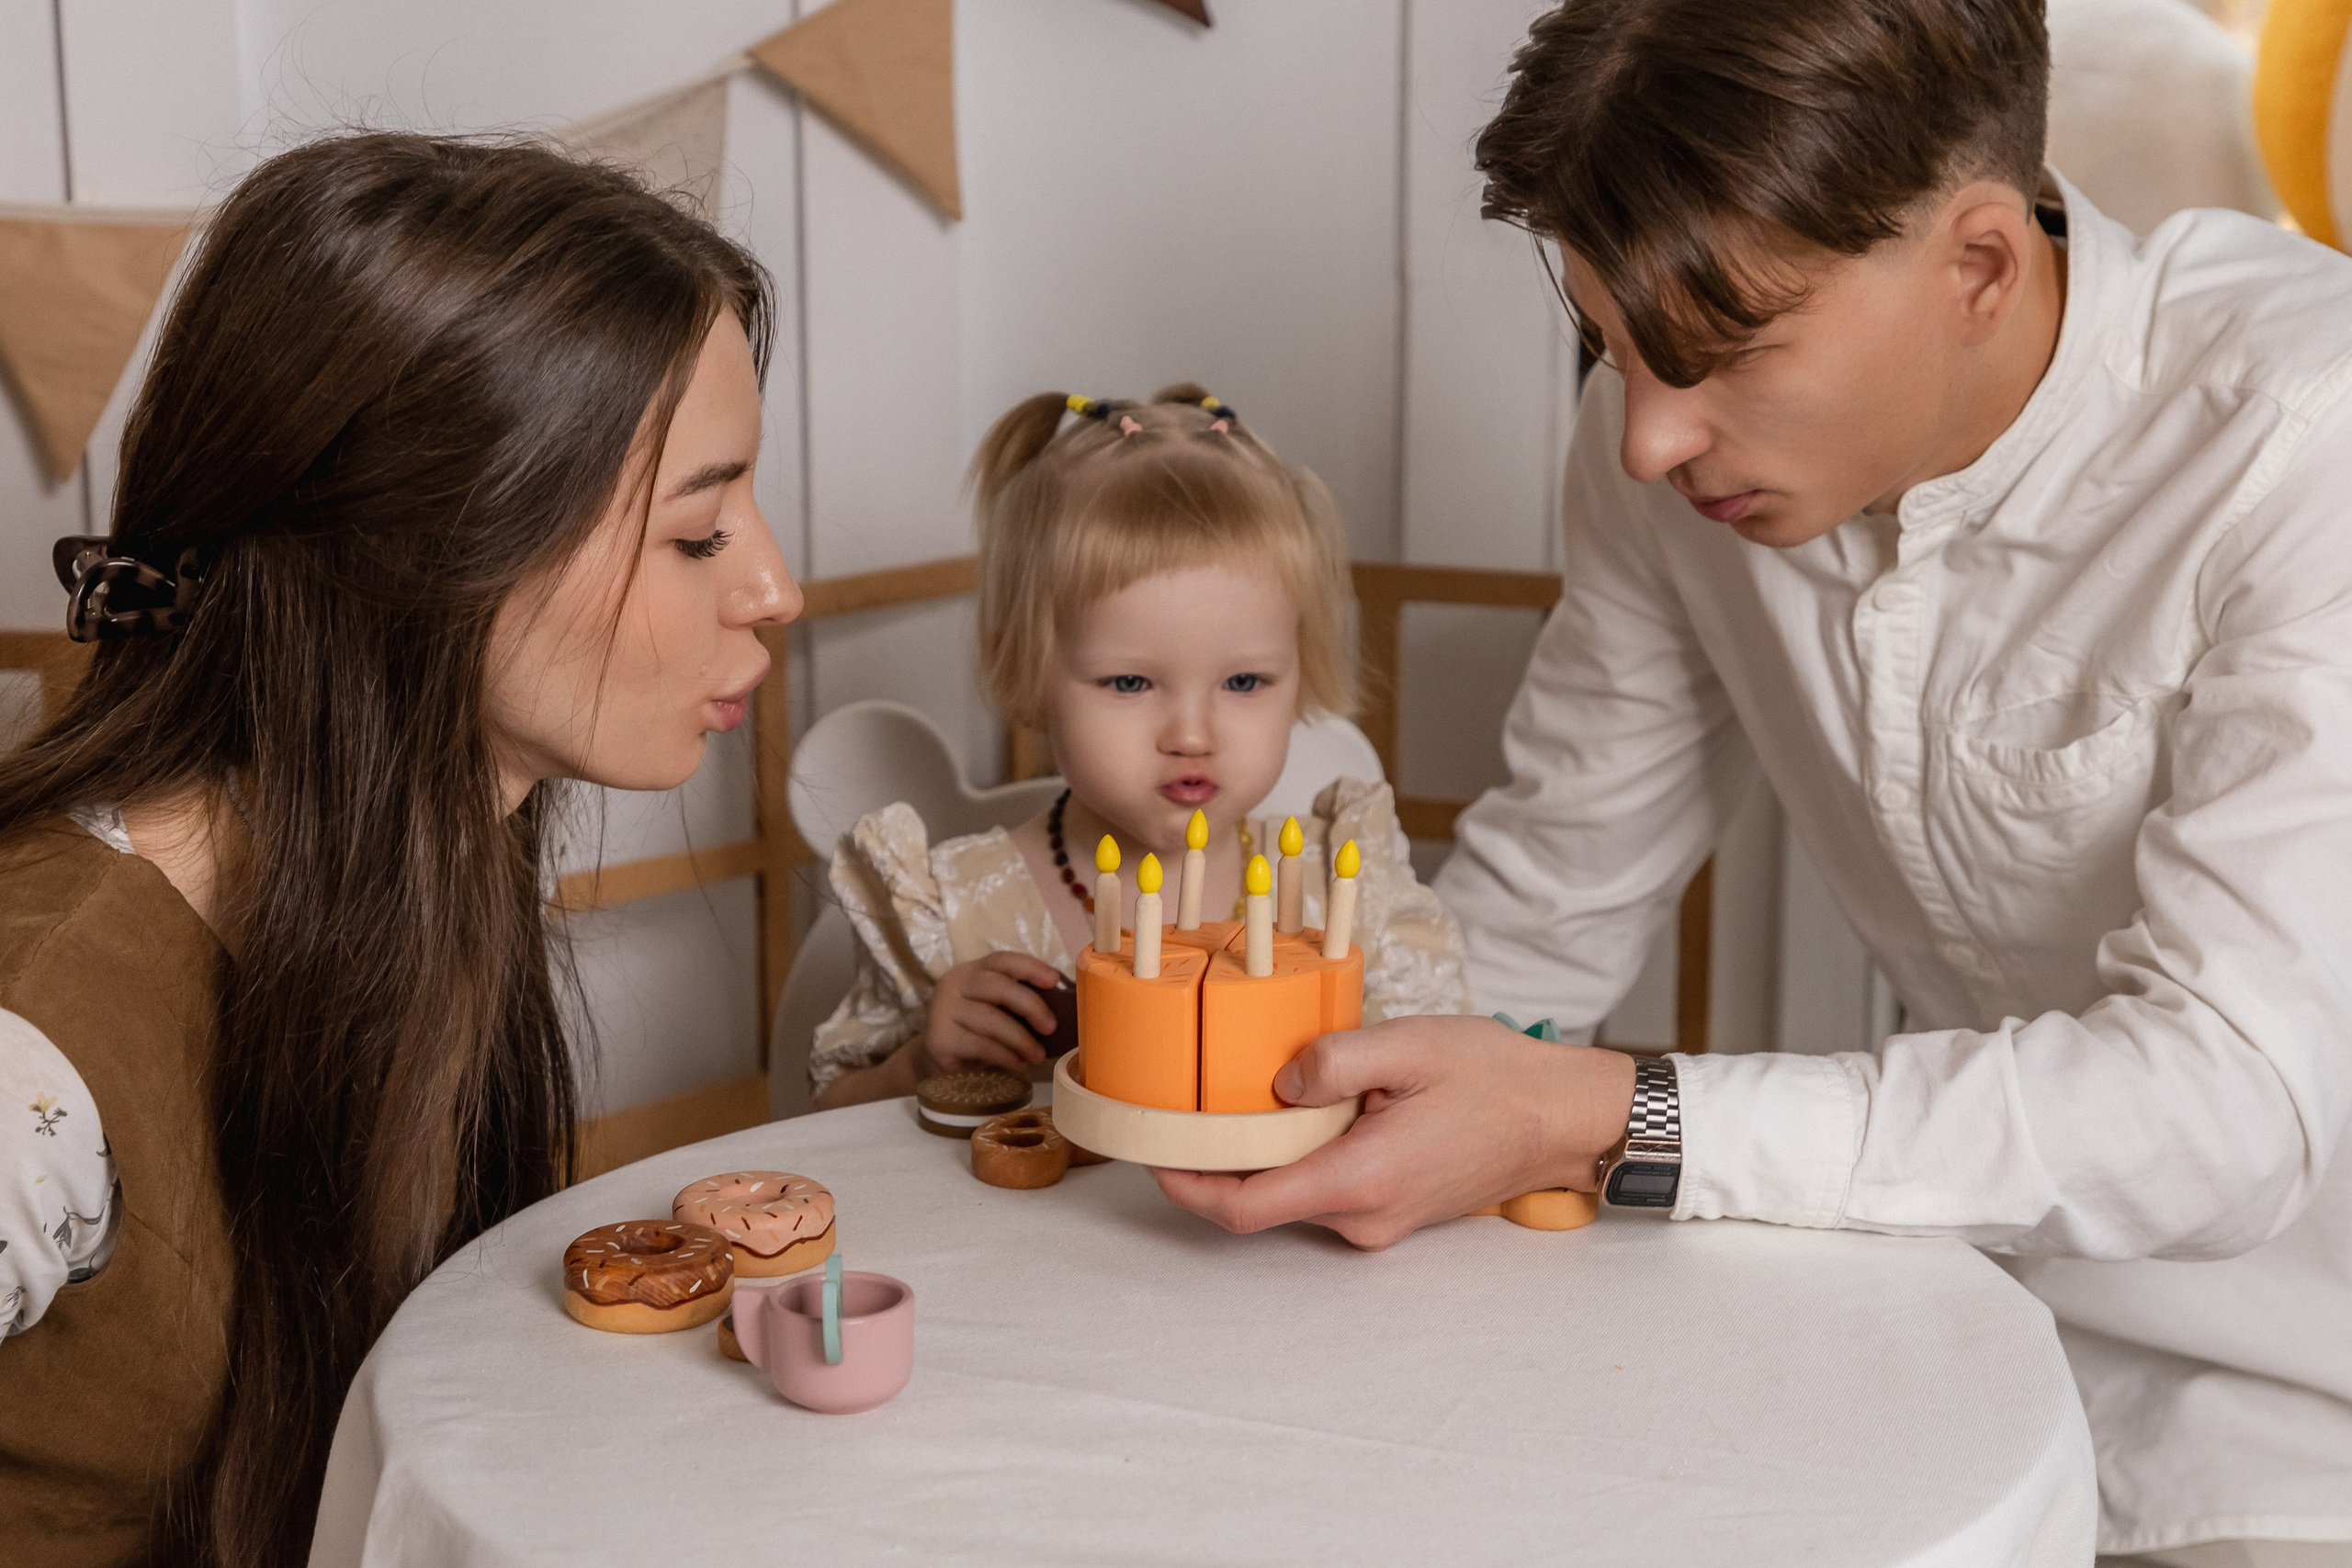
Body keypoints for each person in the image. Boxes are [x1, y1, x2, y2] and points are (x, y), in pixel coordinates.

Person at [1150, 2, 2352, 1562]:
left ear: (1979, 267)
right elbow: (1547, 903)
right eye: (1614, 348)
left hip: (2306, 1415)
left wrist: (1615, 1117)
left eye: (1718, 357)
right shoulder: (1657, 455)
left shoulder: (2299, 431)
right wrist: (1315, 1099)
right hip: (1954, 1322)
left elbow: (2230, 1101)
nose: (1648, 435)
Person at [0, 133, 798, 1564]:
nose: (774, 584)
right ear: (436, 548)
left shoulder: (414, 886)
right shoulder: (34, 1047)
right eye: (698, 533)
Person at [808, 387, 1469, 1109]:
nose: (1192, 735)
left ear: (1301, 670)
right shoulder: (953, 913)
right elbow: (828, 1122)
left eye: (1244, 680)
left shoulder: (1346, 897)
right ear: (1025, 671)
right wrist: (918, 1065)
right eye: (1130, 682)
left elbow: (1455, 1088)